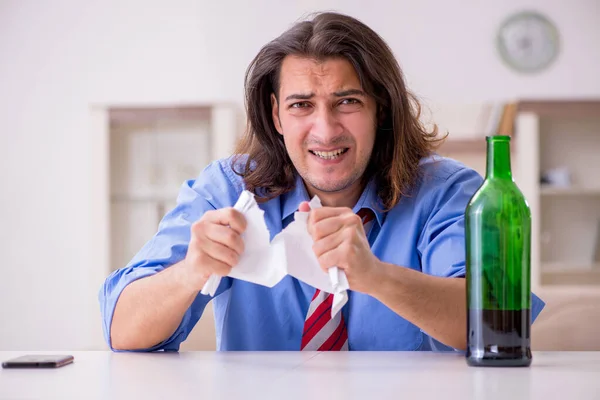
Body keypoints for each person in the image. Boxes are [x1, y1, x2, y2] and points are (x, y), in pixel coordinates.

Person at [98, 11, 545, 352]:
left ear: (381, 108)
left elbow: (499, 324)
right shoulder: (228, 189)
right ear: (275, 115)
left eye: (346, 101)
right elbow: (123, 331)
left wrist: (376, 277)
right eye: (301, 105)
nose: (326, 130)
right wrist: (192, 270)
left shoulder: (445, 192)